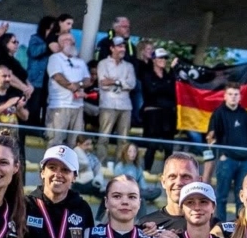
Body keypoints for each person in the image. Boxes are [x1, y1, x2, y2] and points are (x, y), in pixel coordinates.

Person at [207, 82, 247, 216]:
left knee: (242, 198)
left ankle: (239, 230)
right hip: (226, 160)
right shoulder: (218, 113)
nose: (233, 97)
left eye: (236, 94)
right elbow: (210, 137)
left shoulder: (246, 115)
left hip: (246, 162)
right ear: (225, 96)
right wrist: (220, 155)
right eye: (230, 94)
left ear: (240, 96)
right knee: (221, 197)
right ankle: (219, 228)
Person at [97, 37, 136, 166]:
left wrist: (115, 81)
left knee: (123, 139)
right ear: (112, 48)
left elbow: (131, 84)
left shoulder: (129, 66)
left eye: (123, 46)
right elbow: (103, 83)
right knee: (104, 137)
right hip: (108, 103)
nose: (122, 49)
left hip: (125, 105)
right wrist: (121, 83)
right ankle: (100, 165)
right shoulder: (103, 63)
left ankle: (120, 165)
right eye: (119, 46)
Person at [138, 47, 178, 173]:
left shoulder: (169, 75)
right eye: (160, 57)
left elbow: (172, 92)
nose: (163, 60)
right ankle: (146, 172)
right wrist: (166, 85)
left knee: (168, 147)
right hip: (153, 115)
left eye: (165, 58)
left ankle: (167, 174)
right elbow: (151, 91)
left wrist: (170, 75)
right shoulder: (147, 74)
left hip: (168, 115)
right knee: (152, 145)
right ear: (154, 60)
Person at [46, 32, 90, 144]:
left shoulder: (80, 61)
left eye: (71, 40)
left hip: (78, 106)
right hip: (60, 105)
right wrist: (74, 88)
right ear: (59, 44)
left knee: (76, 141)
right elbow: (57, 76)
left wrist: (79, 85)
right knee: (56, 140)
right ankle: (52, 162)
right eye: (65, 40)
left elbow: (87, 80)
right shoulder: (55, 58)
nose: (69, 42)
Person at [142, 151, 202, 232]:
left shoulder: (213, 227)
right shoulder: (145, 226)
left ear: (198, 181)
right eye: (172, 176)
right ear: (163, 181)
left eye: (186, 176)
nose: (178, 182)